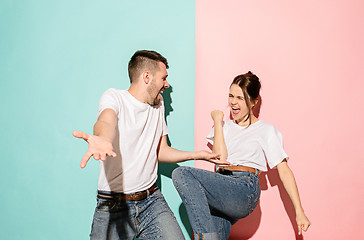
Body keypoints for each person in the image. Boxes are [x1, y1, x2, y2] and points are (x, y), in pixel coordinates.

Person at [72, 50, 228, 240]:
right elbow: (106, 121)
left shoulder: (158, 104)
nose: (167, 84)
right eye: (164, 78)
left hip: (151, 202)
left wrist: (198, 155)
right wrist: (103, 138)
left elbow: (161, 151)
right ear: (146, 76)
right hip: (114, 205)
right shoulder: (115, 97)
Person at [172, 71, 311, 240]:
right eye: (231, 96)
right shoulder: (225, 126)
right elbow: (220, 160)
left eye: (240, 98)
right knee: (214, 226)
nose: (233, 102)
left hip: (244, 188)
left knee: (182, 173)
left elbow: (284, 171)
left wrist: (299, 211)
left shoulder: (266, 130)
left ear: (254, 102)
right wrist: (217, 121)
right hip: (221, 186)